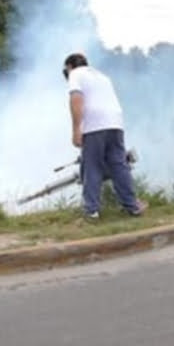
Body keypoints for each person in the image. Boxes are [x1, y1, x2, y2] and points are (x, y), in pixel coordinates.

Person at [63, 52, 147, 220]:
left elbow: (76, 100)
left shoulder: (75, 74)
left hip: (95, 124)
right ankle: (132, 206)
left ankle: (91, 211)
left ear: (71, 66)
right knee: (119, 165)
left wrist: (76, 130)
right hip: (115, 123)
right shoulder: (102, 76)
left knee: (92, 166)